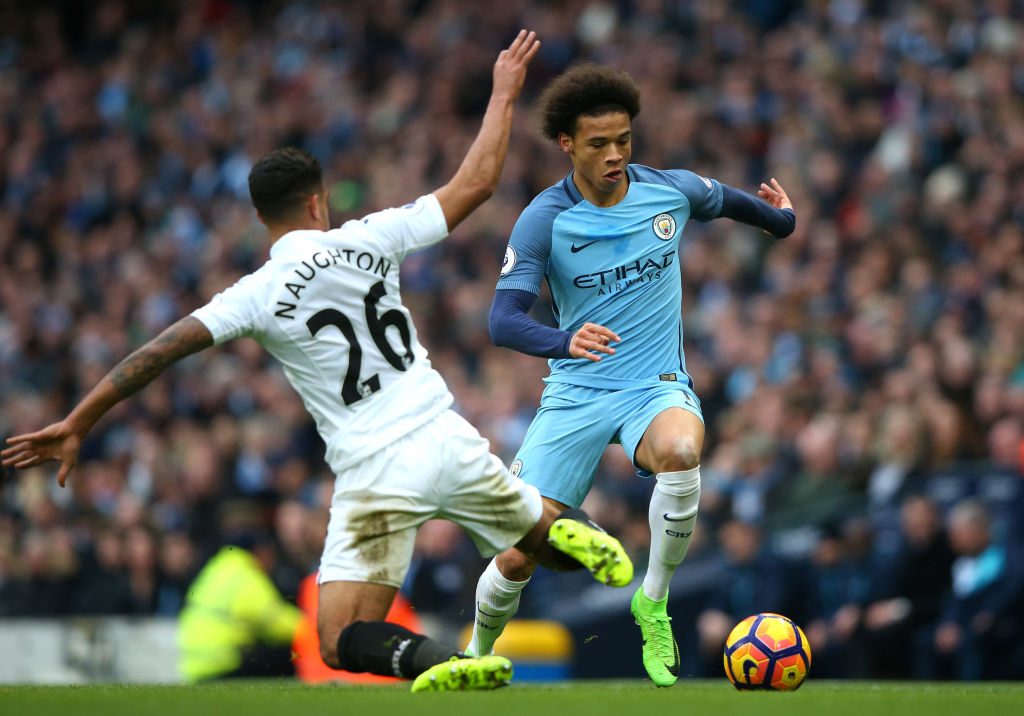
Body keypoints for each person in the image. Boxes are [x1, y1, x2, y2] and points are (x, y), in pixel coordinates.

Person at [2, 32, 634, 693]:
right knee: (541, 543)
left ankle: (443, 661)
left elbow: (158, 352)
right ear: (317, 201)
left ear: (262, 217)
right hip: (443, 434)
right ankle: (566, 529)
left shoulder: (255, 293)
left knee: (337, 639)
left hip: (370, 471)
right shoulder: (370, 237)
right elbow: (476, 183)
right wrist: (504, 92)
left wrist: (79, 420)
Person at [466, 64, 796, 687]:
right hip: (576, 392)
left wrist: (782, 217)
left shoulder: (671, 191)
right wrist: (564, 339)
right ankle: (476, 651)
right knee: (520, 551)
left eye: (623, 139)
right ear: (566, 143)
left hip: (654, 384)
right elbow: (503, 321)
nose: (615, 154)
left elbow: (748, 210)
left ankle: (654, 599)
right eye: (598, 143)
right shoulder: (545, 219)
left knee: (682, 449)